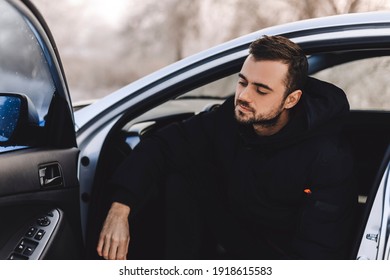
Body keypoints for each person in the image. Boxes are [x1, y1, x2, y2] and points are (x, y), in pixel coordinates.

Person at [97, 35, 356, 260]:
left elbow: (317, 254)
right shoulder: (230, 120)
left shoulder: (327, 158)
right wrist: (121, 207)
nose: (243, 96)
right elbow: (164, 145)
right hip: (232, 242)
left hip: (278, 259)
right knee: (183, 176)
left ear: (291, 99)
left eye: (261, 90)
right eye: (242, 82)